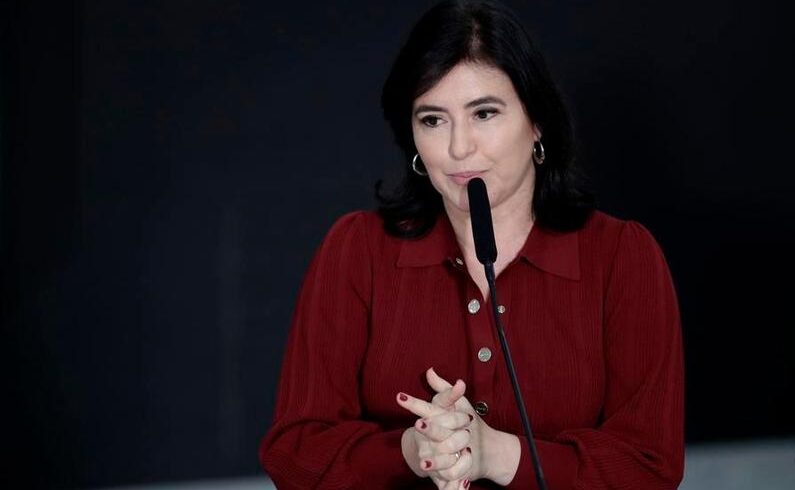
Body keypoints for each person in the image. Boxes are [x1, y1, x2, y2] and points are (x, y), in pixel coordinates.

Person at [259, 1, 684, 488]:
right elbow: (294, 454)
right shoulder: (356, 250)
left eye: (484, 113)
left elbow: (650, 468)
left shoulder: (623, 257)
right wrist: (413, 447)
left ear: (537, 120)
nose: (459, 148)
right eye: (433, 120)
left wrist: (496, 454)